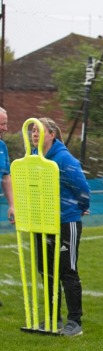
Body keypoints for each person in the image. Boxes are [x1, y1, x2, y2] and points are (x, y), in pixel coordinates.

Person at [31, 118, 91, 336]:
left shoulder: (64, 159)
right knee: (46, 272)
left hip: (66, 222)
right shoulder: (34, 159)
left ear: (52, 134)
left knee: (68, 270)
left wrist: (81, 207)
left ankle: (75, 322)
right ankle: (52, 319)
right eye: (31, 131)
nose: (34, 134)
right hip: (43, 223)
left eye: (38, 131)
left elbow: (83, 188)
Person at [0, 107, 15, 307]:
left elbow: (6, 176)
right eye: (2, 123)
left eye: (5, 123)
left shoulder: (2, 146)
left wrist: (13, 204)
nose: (5, 127)